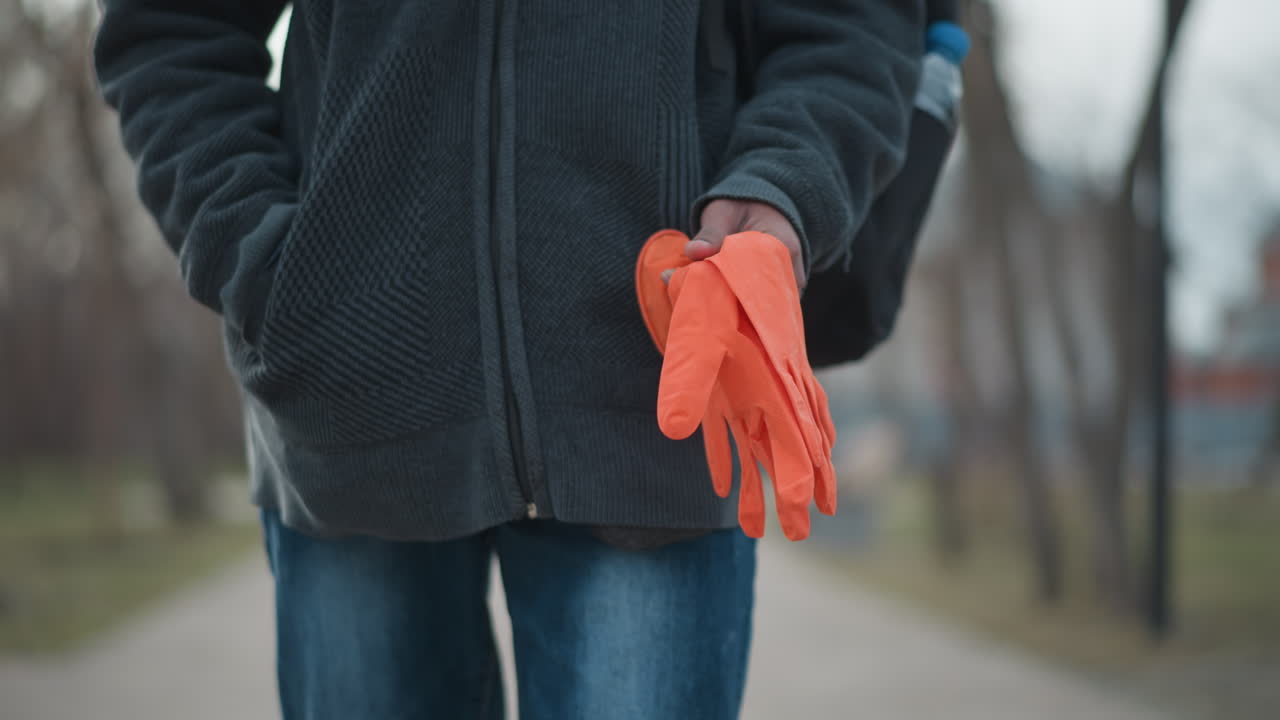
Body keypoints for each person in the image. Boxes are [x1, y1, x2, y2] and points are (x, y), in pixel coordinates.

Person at [94, 1, 923, 717]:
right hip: (347, 402)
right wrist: (276, 270)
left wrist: (783, 184)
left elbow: (851, 23)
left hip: (659, 387)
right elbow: (171, 27)